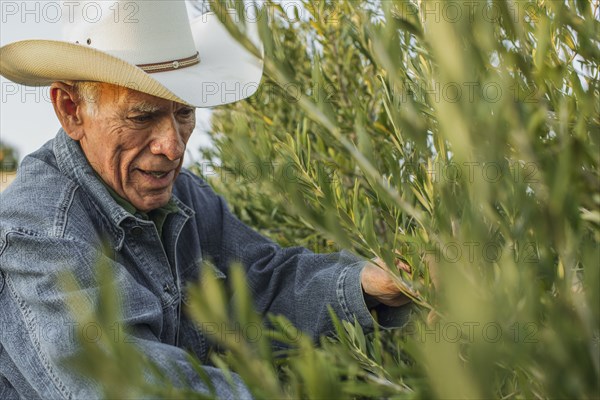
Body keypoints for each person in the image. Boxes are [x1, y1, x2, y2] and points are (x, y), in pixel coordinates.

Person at [0, 1, 412, 398]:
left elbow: (261, 284)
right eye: (142, 116)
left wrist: (366, 285)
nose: (173, 147)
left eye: (183, 113)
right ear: (71, 110)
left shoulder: (186, 195)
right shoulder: (37, 232)